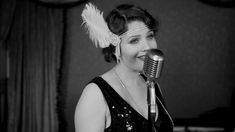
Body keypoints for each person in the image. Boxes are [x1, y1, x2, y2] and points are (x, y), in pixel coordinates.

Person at [74, 3, 174, 132]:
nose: (148, 47)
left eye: (150, 36)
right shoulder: (95, 94)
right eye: (134, 40)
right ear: (116, 47)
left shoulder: (153, 85)